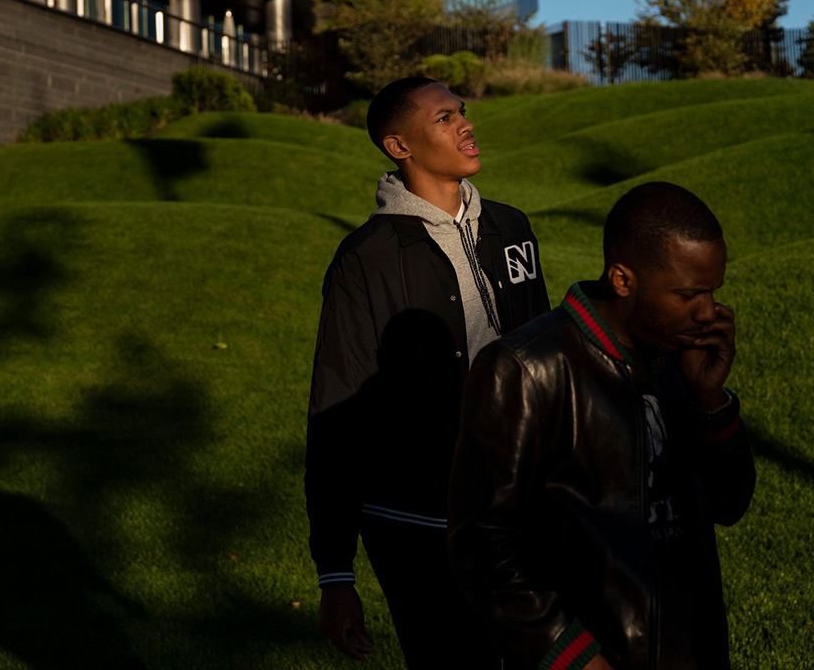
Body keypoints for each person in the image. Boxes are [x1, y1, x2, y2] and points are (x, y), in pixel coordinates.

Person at [449, 181, 755, 670]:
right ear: (622, 279)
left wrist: (710, 400)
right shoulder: (525, 368)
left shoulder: (681, 358)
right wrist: (571, 656)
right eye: (688, 294)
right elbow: (483, 546)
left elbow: (729, 503)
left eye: (713, 290)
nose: (708, 312)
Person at [305, 77, 550, 667]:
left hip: (525, 506)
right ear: (399, 146)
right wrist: (335, 574)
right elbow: (338, 413)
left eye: (462, 112)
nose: (466, 124)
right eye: (444, 119)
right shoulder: (366, 259)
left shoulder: (511, 229)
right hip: (417, 524)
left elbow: (549, 360)